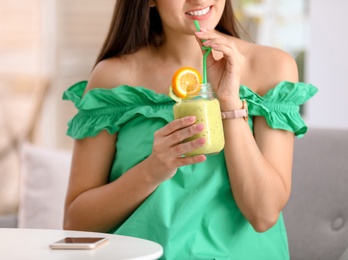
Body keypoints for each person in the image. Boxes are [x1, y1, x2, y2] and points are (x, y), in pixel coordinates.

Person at [62, 0, 317, 259]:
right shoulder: (112, 78)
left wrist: (229, 104)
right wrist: (152, 170)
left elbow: (263, 214)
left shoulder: (271, 67)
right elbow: (77, 225)